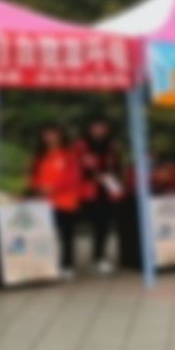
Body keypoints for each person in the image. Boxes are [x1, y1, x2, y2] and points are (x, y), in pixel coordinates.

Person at [28, 124, 83, 278]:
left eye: (53, 134)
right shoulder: (39, 155)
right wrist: (37, 188)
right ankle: (48, 266)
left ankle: (67, 265)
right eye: (46, 134)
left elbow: (74, 177)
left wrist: (54, 188)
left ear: (61, 135)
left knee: (66, 235)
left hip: (66, 201)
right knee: (46, 236)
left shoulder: (69, 155)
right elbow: (32, 176)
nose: (50, 137)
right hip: (43, 202)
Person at [76, 118, 125, 275]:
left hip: (107, 191)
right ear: (89, 129)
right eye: (96, 127)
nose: (99, 130)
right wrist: (93, 177)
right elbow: (75, 168)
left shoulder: (112, 146)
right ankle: (68, 263)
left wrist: (114, 179)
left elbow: (118, 167)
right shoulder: (81, 146)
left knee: (103, 225)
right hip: (86, 191)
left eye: (103, 127)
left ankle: (99, 258)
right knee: (76, 225)